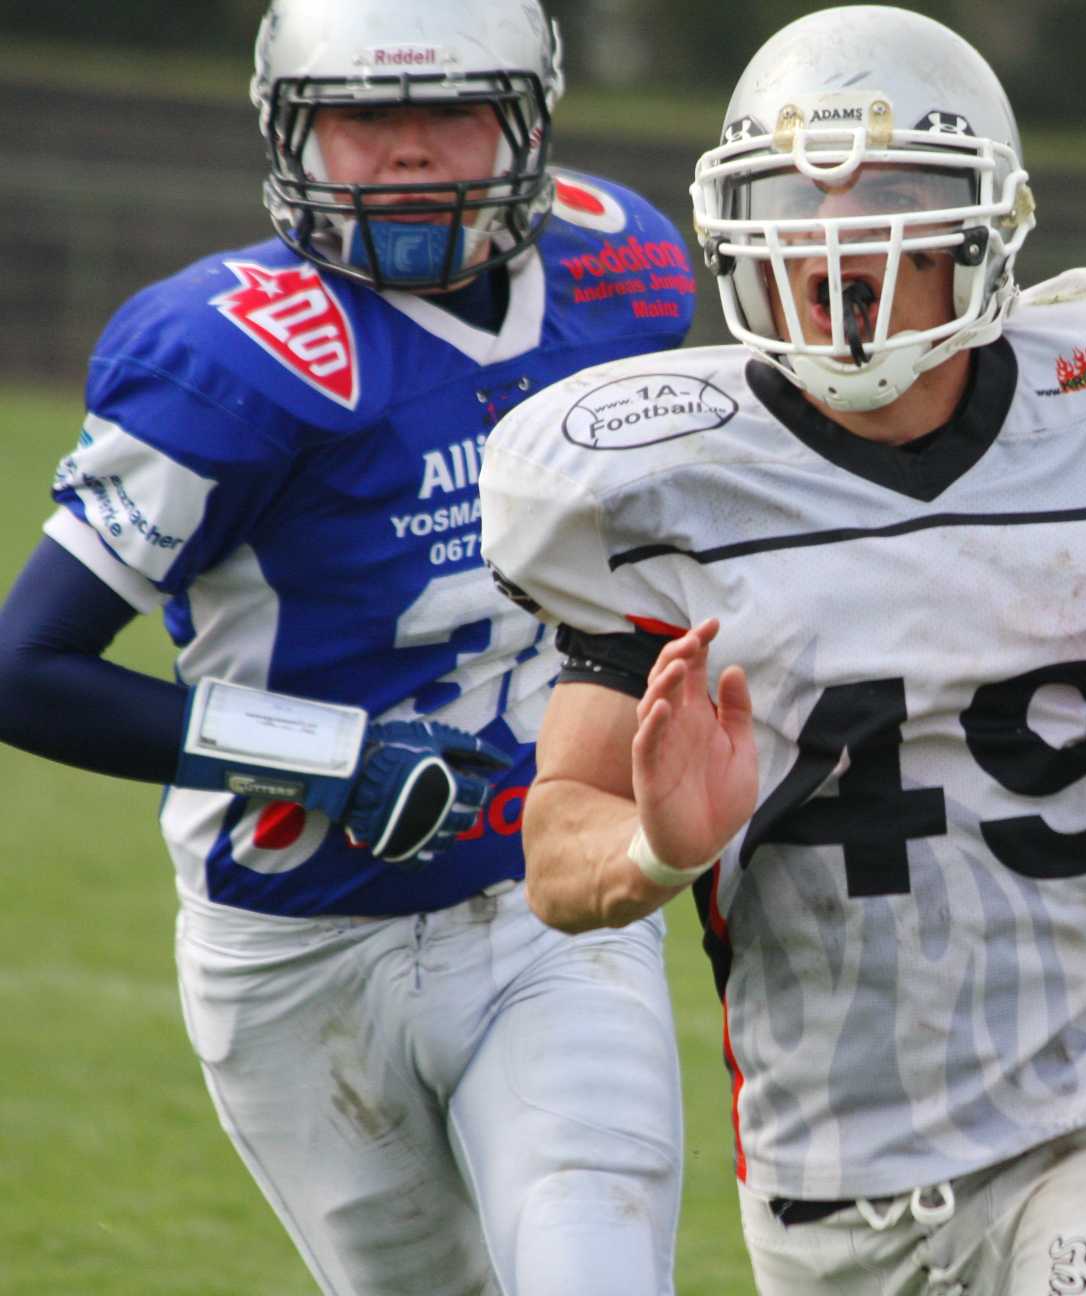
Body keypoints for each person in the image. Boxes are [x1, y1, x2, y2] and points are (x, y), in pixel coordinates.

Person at [477, 7, 1086, 1294]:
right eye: (798, 209)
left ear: (981, 230)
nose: (835, 248)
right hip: (828, 1166)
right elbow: (557, 846)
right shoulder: (661, 487)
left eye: (886, 205)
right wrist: (659, 847)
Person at [0, 1, 699, 1293]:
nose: (409, 151)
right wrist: (329, 756)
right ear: (292, 134)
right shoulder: (230, 355)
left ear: (528, 121)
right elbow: (24, 669)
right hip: (297, 941)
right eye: (365, 116)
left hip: (549, 897)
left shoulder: (625, 275)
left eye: (452, 111)